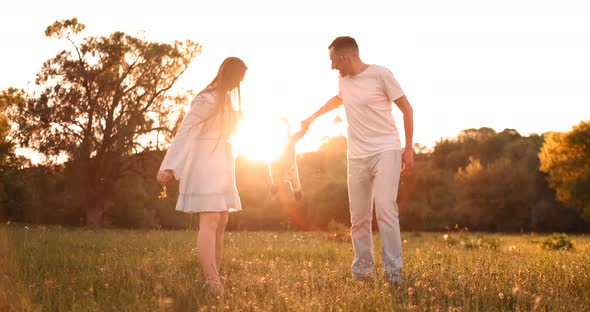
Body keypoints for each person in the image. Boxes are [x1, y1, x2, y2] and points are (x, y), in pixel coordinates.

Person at [302, 36, 414, 284]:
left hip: (386, 150)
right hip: (357, 156)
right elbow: (339, 98)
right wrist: (312, 117)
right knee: (359, 217)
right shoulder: (343, 79)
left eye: (333, 61)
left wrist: (409, 148)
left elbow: (407, 108)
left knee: (386, 209)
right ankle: (363, 272)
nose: (332, 66)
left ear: (345, 57)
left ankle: (394, 274)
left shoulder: (381, 75)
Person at [156, 57, 248, 295]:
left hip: (222, 163)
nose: (239, 84)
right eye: (238, 79)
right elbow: (185, 131)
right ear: (229, 76)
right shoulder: (206, 99)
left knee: (221, 221)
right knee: (209, 221)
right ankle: (214, 282)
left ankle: (213, 274)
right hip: (205, 163)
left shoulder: (225, 100)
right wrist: (169, 166)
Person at [268, 117, 309, 201]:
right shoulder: (273, 139)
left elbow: (302, 132)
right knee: (275, 179)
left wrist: (305, 126)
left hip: (290, 167)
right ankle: (275, 187)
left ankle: (298, 197)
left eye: (285, 128)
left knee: (295, 184)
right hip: (276, 165)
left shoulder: (292, 138)